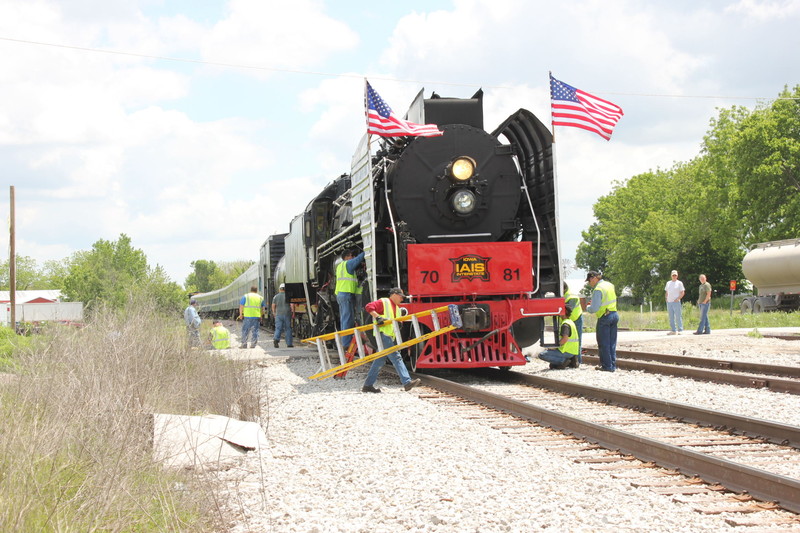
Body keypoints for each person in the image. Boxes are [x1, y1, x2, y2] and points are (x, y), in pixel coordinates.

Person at [361, 287, 421, 393]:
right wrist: (378, 317)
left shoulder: (397, 309)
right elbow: (368, 306)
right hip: (383, 335)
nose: (402, 299)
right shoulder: (384, 302)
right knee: (396, 357)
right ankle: (407, 382)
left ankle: (368, 385)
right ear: (394, 294)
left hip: (388, 336)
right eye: (400, 297)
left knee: (380, 360)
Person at [586, 271, 619, 372]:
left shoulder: (598, 289)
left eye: (589, 281)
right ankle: (613, 364)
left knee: (603, 343)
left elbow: (594, 308)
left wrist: (588, 307)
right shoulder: (610, 285)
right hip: (614, 314)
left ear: (593, 278)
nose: (589, 283)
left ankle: (607, 366)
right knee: (612, 343)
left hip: (604, 317)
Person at [335, 249, 365, 349]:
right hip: (346, 294)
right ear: (348, 256)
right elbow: (359, 259)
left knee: (345, 319)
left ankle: (345, 342)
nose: (353, 258)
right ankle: (346, 344)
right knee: (347, 319)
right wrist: (368, 249)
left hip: (341, 294)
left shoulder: (340, 266)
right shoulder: (348, 264)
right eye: (352, 256)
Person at [537, 303, 580, 369]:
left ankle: (565, 361)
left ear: (565, 311)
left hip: (566, 351)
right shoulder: (570, 322)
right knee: (552, 365)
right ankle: (570, 359)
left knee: (542, 355)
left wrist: (554, 347)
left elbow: (564, 339)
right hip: (572, 351)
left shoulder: (565, 324)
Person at [563, 281, 584, 365]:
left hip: (576, 320)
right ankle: (571, 360)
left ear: (563, 289)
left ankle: (577, 361)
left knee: (576, 341)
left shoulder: (572, 296)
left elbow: (568, 310)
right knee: (569, 341)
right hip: (569, 320)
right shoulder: (564, 295)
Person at [272, 283, 295, 348]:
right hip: (287, 314)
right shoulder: (288, 296)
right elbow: (292, 304)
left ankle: (276, 339)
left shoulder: (276, 296)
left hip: (278, 314)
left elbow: (273, 305)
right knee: (288, 328)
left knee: (278, 328)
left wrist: (274, 313)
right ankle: (289, 343)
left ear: (280, 289)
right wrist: (293, 312)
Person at [665, 270, 685, 335]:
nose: (674, 276)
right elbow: (667, 292)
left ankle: (680, 330)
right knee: (671, 317)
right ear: (671, 276)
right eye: (673, 275)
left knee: (678, 316)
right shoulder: (668, 283)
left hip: (676, 302)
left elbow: (682, 292)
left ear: (677, 276)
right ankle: (673, 330)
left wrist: (678, 298)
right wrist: (666, 299)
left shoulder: (679, 283)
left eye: (675, 275)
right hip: (669, 302)